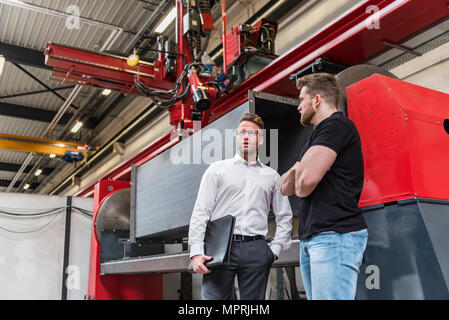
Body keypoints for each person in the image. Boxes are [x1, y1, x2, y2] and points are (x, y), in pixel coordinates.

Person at [280, 73, 368, 300]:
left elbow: (304, 185)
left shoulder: (337, 127)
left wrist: (300, 170)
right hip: (315, 237)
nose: (299, 106)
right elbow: (285, 187)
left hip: (335, 237)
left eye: (302, 99)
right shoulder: (315, 138)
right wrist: (301, 168)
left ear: (316, 100)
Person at [188, 112, 293, 300]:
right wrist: (196, 252)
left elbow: (284, 216)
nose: (245, 136)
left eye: (251, 133)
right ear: (236, 136)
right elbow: (201, 212)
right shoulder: (216, 170)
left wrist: (274, 251)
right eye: (241, 132)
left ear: (260, 140)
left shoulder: (272, 176)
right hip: (219, 247)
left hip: (256, 249)